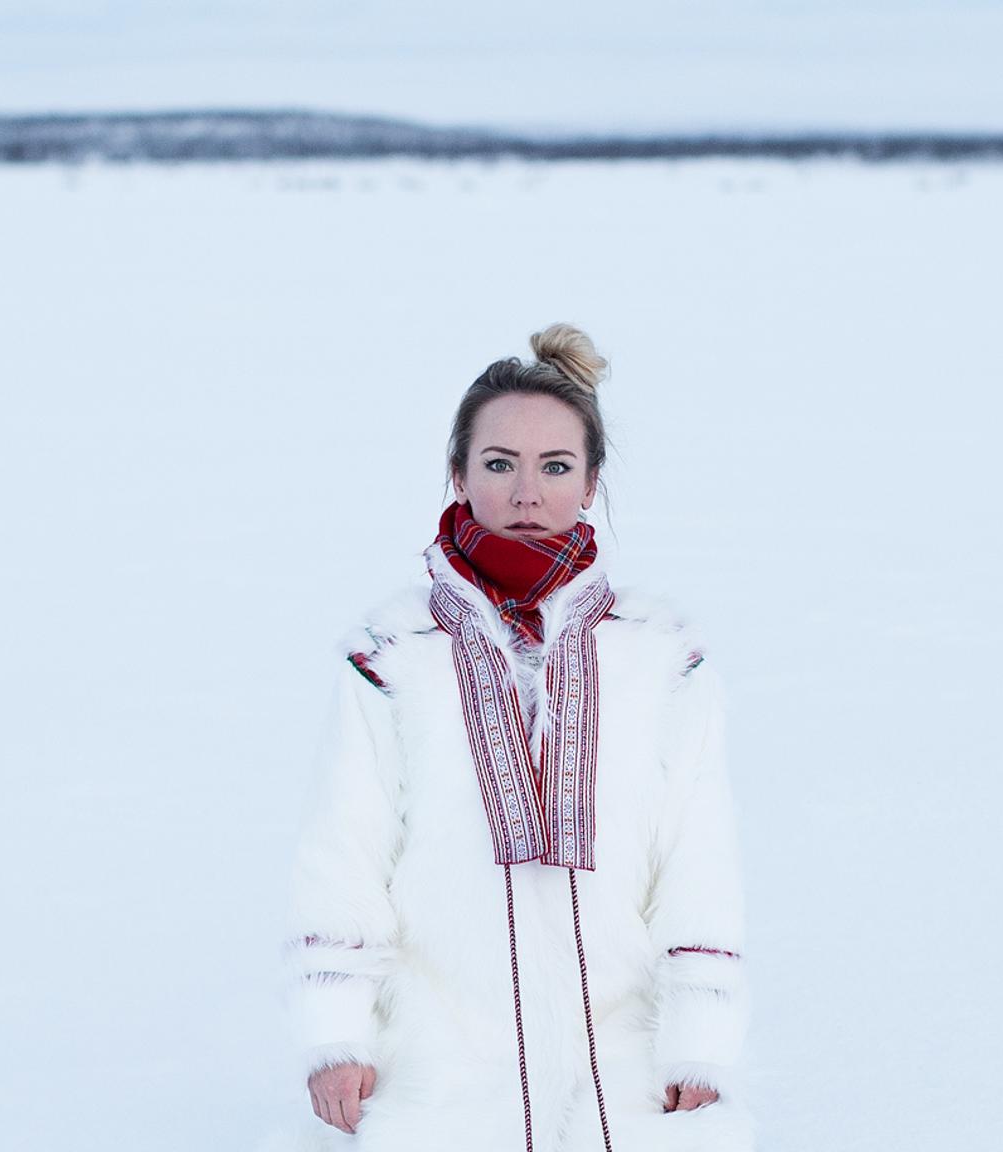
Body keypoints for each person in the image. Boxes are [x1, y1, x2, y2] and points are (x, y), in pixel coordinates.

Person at [264, 324, 753, 1152]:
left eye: (555, 467)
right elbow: (344, 851)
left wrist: (699, 1038)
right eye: (499, 464)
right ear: (457, 475)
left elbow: (698, 852)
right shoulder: (393, 653)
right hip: (439, 1072)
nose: (528, 493)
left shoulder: (662, 654)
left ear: (592, 482)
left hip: (626, 1075)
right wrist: (336, 1033)